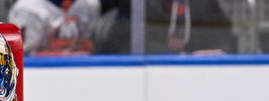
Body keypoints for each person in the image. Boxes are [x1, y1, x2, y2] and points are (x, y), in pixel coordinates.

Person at [97, 0, 237, 55]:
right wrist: (179, 55)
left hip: (194, 81)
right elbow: (124, 42)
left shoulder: (202, 4)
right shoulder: (136, 4)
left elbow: (225, 38)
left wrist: (216, 52)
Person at [8, 0, 103, 55]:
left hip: (86, 74)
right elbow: (20, 61)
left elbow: (93, 49)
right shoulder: (27, 10)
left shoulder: (90, 5)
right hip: (41, 77)